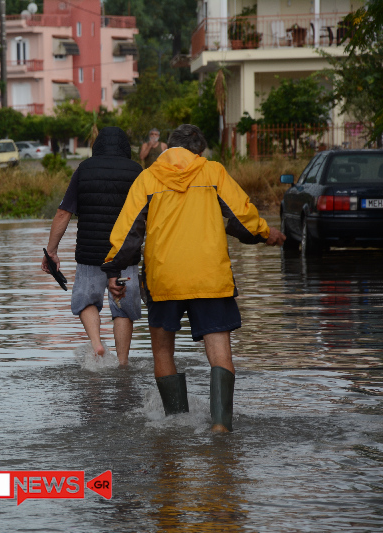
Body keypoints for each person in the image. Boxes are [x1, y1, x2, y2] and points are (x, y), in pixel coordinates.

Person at [103, 124, 286, 432]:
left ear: (166, 149)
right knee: (219, 350)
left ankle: (176, 423)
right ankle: (220, 426)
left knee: (163, 351)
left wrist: (113, 270)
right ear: (199, 152)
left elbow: (127, 232)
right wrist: (267, 233)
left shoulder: (147, 178)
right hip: (210, 277)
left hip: (165, 279)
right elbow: (242, 216)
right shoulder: (212, 172)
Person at [42, 127, 143, 365]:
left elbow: (63, 213)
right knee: (124, 308)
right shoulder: (137, 171)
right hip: (125, 254)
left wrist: (52, 251)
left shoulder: (84, 169)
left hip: (90, 253)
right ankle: (122, 362)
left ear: (97, 146)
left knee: (86, 300)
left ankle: (97, 344)